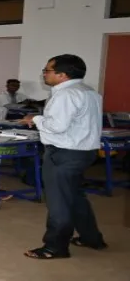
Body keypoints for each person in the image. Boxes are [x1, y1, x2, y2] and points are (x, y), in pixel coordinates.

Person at [20, 54, 105, 260]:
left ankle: (55, 247)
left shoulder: (66, 94)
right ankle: (91, 238)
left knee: (58, 201)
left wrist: (36, 118)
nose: (44, 73)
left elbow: (57, 126)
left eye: (47, 70)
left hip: (64, 153)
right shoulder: (89, 92)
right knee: (75, 197)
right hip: (83, 152)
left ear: (62, 75)